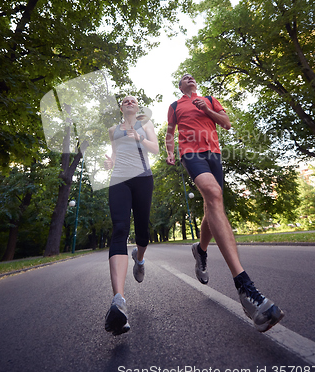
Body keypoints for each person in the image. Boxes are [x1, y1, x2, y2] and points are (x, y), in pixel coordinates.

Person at [165, 74, 284, 333]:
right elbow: (169, 132)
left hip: (214, 153)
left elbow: (227, 124)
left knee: (213, 204)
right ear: (180, 86)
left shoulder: (209, 99)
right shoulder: (174, 106)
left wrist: (207, 109)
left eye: (192, 76)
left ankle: (201, 250)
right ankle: (245, 287)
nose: (190, 77)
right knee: (213, 195)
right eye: (184, 77)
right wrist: (170, 152)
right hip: (191, 153)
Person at [104, 95, 159, 336]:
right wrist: (110, 162)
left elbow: (155, 149)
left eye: (133, 100)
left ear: (137, 108)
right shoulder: (113, 129)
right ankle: (119, 301)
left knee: (143, 233)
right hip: (119, 180)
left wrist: (140, 138)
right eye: (125, 100)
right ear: (121, 107)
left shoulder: (145, 124)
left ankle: (140, 257)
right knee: (119, 229)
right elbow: (115, 154)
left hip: (143, 179)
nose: (129, 101)